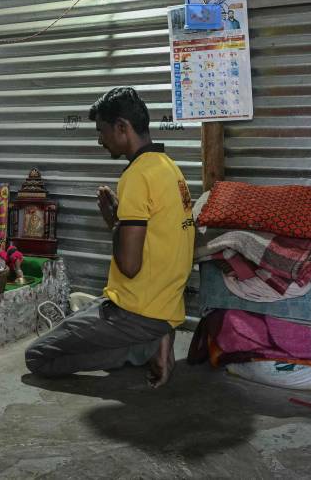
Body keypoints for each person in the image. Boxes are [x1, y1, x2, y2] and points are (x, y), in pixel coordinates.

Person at [25, 87, 195, 387]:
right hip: (166, 305)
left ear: (122, 127)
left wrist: (113, 222)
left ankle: (147, 347)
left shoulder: (137, 176)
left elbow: (129, 265)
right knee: (83, 315)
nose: (100, 140)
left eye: (102, 131)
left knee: (38, 356)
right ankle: (154, 338)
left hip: (140, 311)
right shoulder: (170, 168)